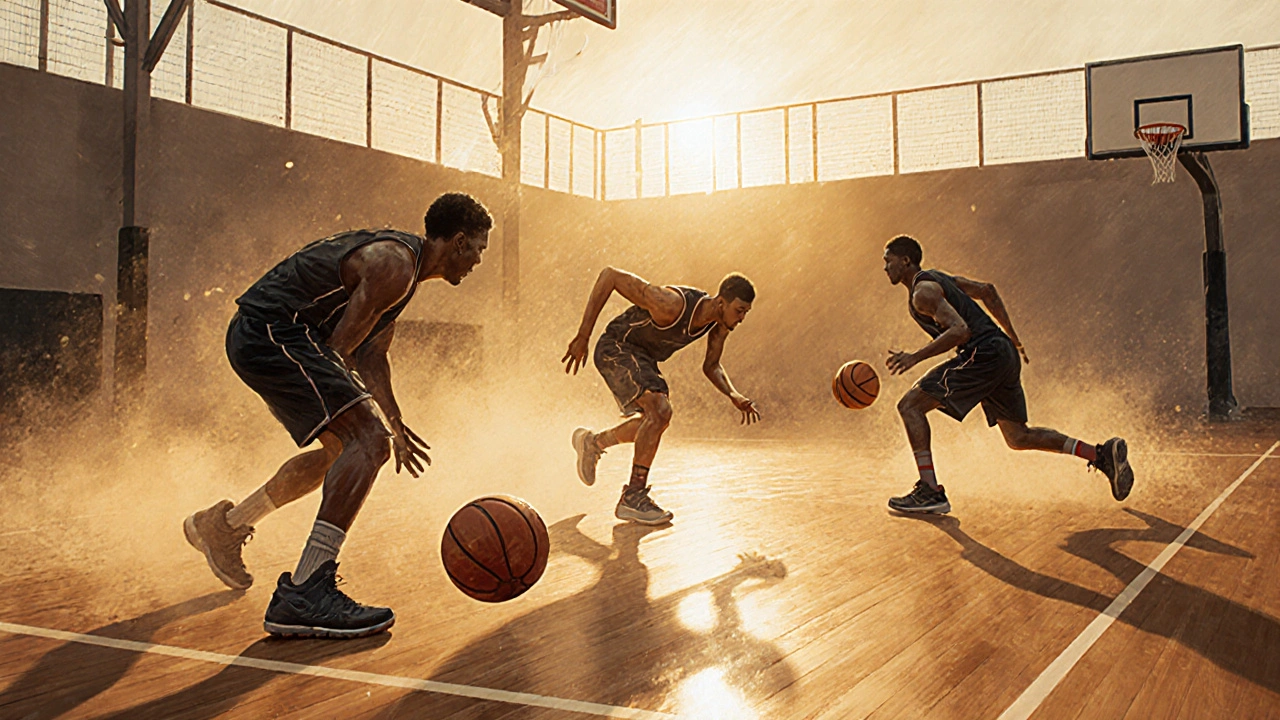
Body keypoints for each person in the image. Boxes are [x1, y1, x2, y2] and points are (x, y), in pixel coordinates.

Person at [184, 192, 492, 638]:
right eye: (479, 249)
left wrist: (395, 422)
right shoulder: (396, 265)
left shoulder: (406, 275)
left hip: (267, 334)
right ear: (459, 241)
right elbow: (339, 351)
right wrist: (375, 432)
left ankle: (225, 527)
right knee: (366, 444)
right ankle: (307, 589)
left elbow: (371, 360)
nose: (478, 261)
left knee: (341, 453)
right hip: (272, 331)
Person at [881, 234, 1133, 514]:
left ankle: (930, 491)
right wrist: (1013, 338)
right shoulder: (940, 279)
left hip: (983, 353)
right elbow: (987, 290)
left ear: (905, 261)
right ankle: (1100, 454)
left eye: (888, 260)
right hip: (1001, 352)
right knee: (1018, 437)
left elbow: (960, 330)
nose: (885, 267)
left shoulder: (922, 294)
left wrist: (915, 357)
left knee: (910, 406)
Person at [563, 269, 760, 525]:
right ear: (721, 302)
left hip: (642, 358)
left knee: (653, 421)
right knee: (660, 411)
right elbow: (609, 276)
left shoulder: (720, 324)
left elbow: (712, 366)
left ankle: (593, 443)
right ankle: (632, 496)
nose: (742, 317)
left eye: (746, 312)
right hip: (616, 348)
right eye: (740, 310)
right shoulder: (671, 304)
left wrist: (733, 394)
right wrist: (583, 336)